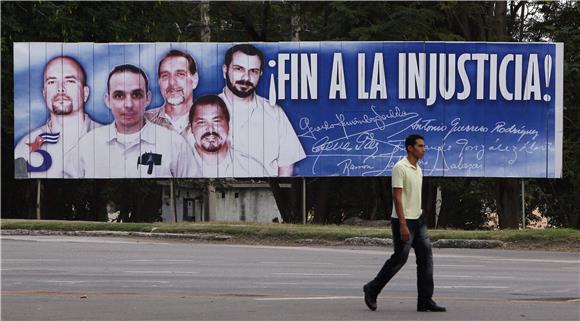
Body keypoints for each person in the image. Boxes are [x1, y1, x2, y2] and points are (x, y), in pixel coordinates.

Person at [64, 64, 199, 178]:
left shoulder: (174, 144)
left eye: (136, 95)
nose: (128, 104)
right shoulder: (88, 145)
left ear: (148, 98)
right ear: (108, 100)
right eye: (119, 95)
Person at [363, 134, 446, 313]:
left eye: (424, 146)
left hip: (419, 219)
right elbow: (397, 197)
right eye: (420, 146)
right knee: (399, 259)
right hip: (404, 220)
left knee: (426, 260)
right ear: (410, 148)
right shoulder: (400, 167)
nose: (424, 149)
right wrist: (402, 224)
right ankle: (372, 288)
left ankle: (425, 300)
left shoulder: (417, 168)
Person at [219, 44, 305, 177]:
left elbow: (286, 166)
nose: (246, 78)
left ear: (260, 74)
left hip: (267, 190)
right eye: (239, 69)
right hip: (215, 188)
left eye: (253, 71)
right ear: (225, 70)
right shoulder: (203, 110)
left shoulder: (274, 113)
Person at [14, 56, 100, 178]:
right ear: (44, 93)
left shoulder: (108, 139)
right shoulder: (24, 147)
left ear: (85, 93)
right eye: (52, 82)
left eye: (70, 81)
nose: (60, 88)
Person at [185, 95, 266, 177]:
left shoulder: (252, 168)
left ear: (228, 124)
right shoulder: (180, 167)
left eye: (216, 121)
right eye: (201, 122)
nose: (210, 129)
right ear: (191, 127)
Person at [145, 49, 199, 136]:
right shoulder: (143, 121)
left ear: (195, 80)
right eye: (165, 76)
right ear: (159, 82)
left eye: (180, 74)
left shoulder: (209, 121)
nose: (172, 83)